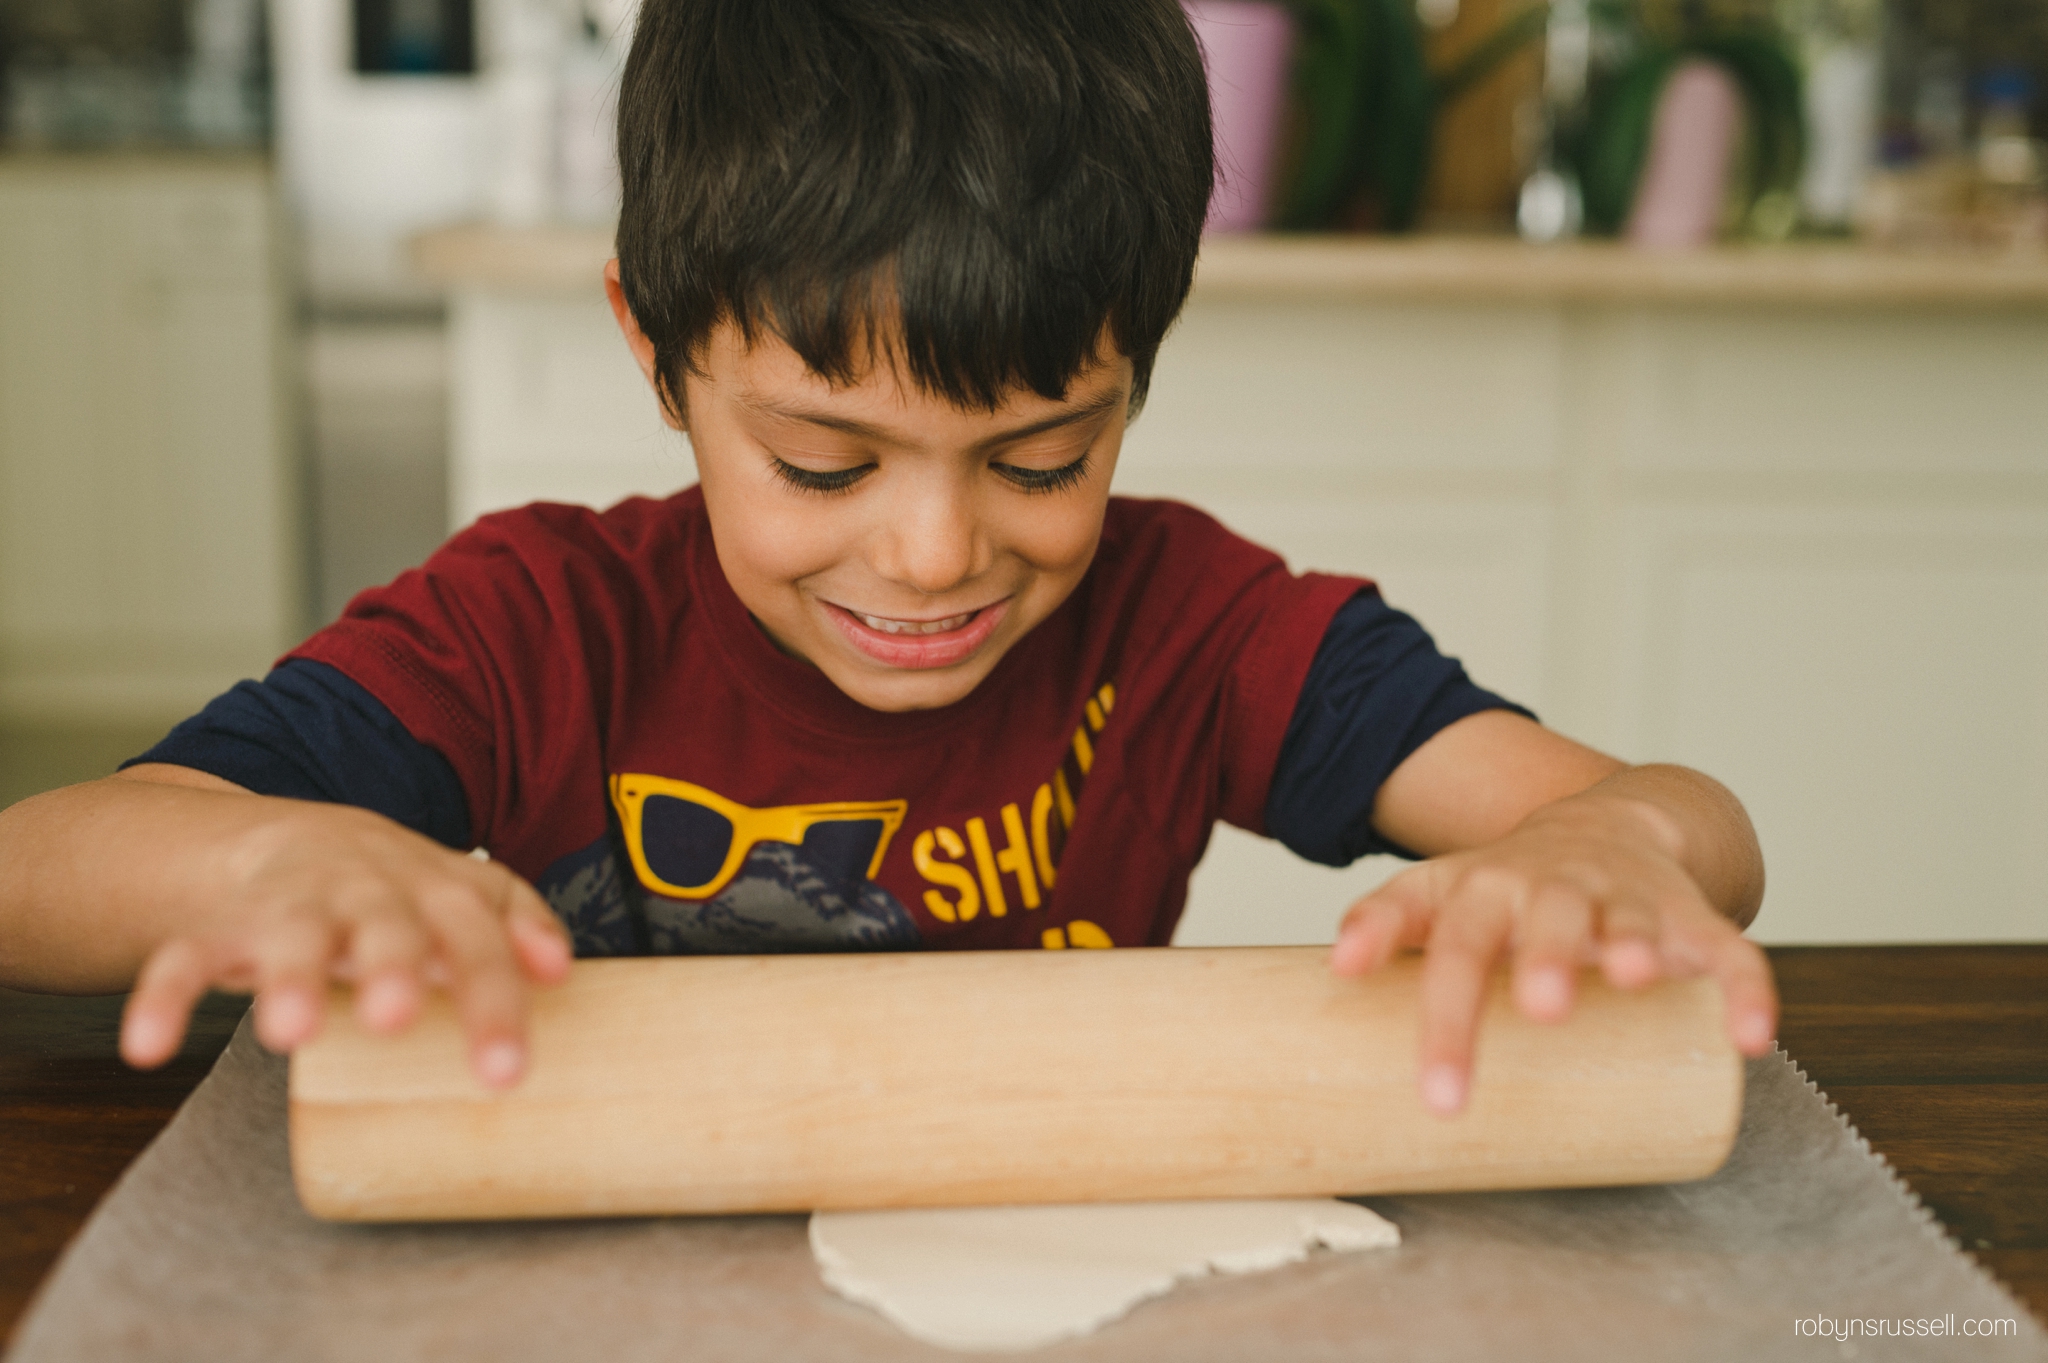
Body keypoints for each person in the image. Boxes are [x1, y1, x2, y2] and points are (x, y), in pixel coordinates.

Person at [0, 0, 1774, 1117]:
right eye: (823, 460)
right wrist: (268, 859)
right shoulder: (540, 626)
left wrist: (1606, 848)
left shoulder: (1192, 627)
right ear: (657, 349)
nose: (934, 555)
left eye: (1042, 458)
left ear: (1136, 373)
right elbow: (37, 870)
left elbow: (1691, 825)